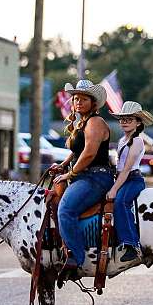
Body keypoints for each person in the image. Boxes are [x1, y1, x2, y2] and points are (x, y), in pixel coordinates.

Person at [52, 80, 114, 277]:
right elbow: (77, 152)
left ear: (93, 102)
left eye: (83, 99)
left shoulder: (96, 122)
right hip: (85, 175)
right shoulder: (82, 123)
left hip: (96, 177)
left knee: (66, 210)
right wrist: (62, 165)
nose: (78, 102)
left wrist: (70, 174)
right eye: (76, 98)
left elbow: (88, 153)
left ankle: (75, 258)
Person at [107, 101, 153, 262]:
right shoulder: (122, 140)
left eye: (129, 119)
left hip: (133, 179)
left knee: (120, 202)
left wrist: (114, 189)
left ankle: (131, 244)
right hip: (122, 178)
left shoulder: (137, 141)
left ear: (138, 122)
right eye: (122, 119)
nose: (124, 122)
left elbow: (127, 168)